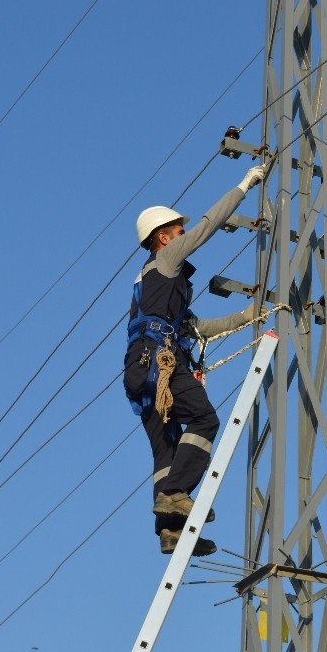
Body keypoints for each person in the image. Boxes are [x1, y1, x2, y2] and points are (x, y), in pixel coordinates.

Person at [124, 164, 266, 556]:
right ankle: (173, 494)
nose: (184, 236)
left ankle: (168, 530)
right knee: (204, 418)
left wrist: (249, 315)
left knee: (166, 449)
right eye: (178, 231)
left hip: (140, 369)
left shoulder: (153, 287)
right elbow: (209, 223)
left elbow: (198, 327)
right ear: (163, 237)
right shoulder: (166, 260)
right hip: (159, 362)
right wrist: (243, 185)